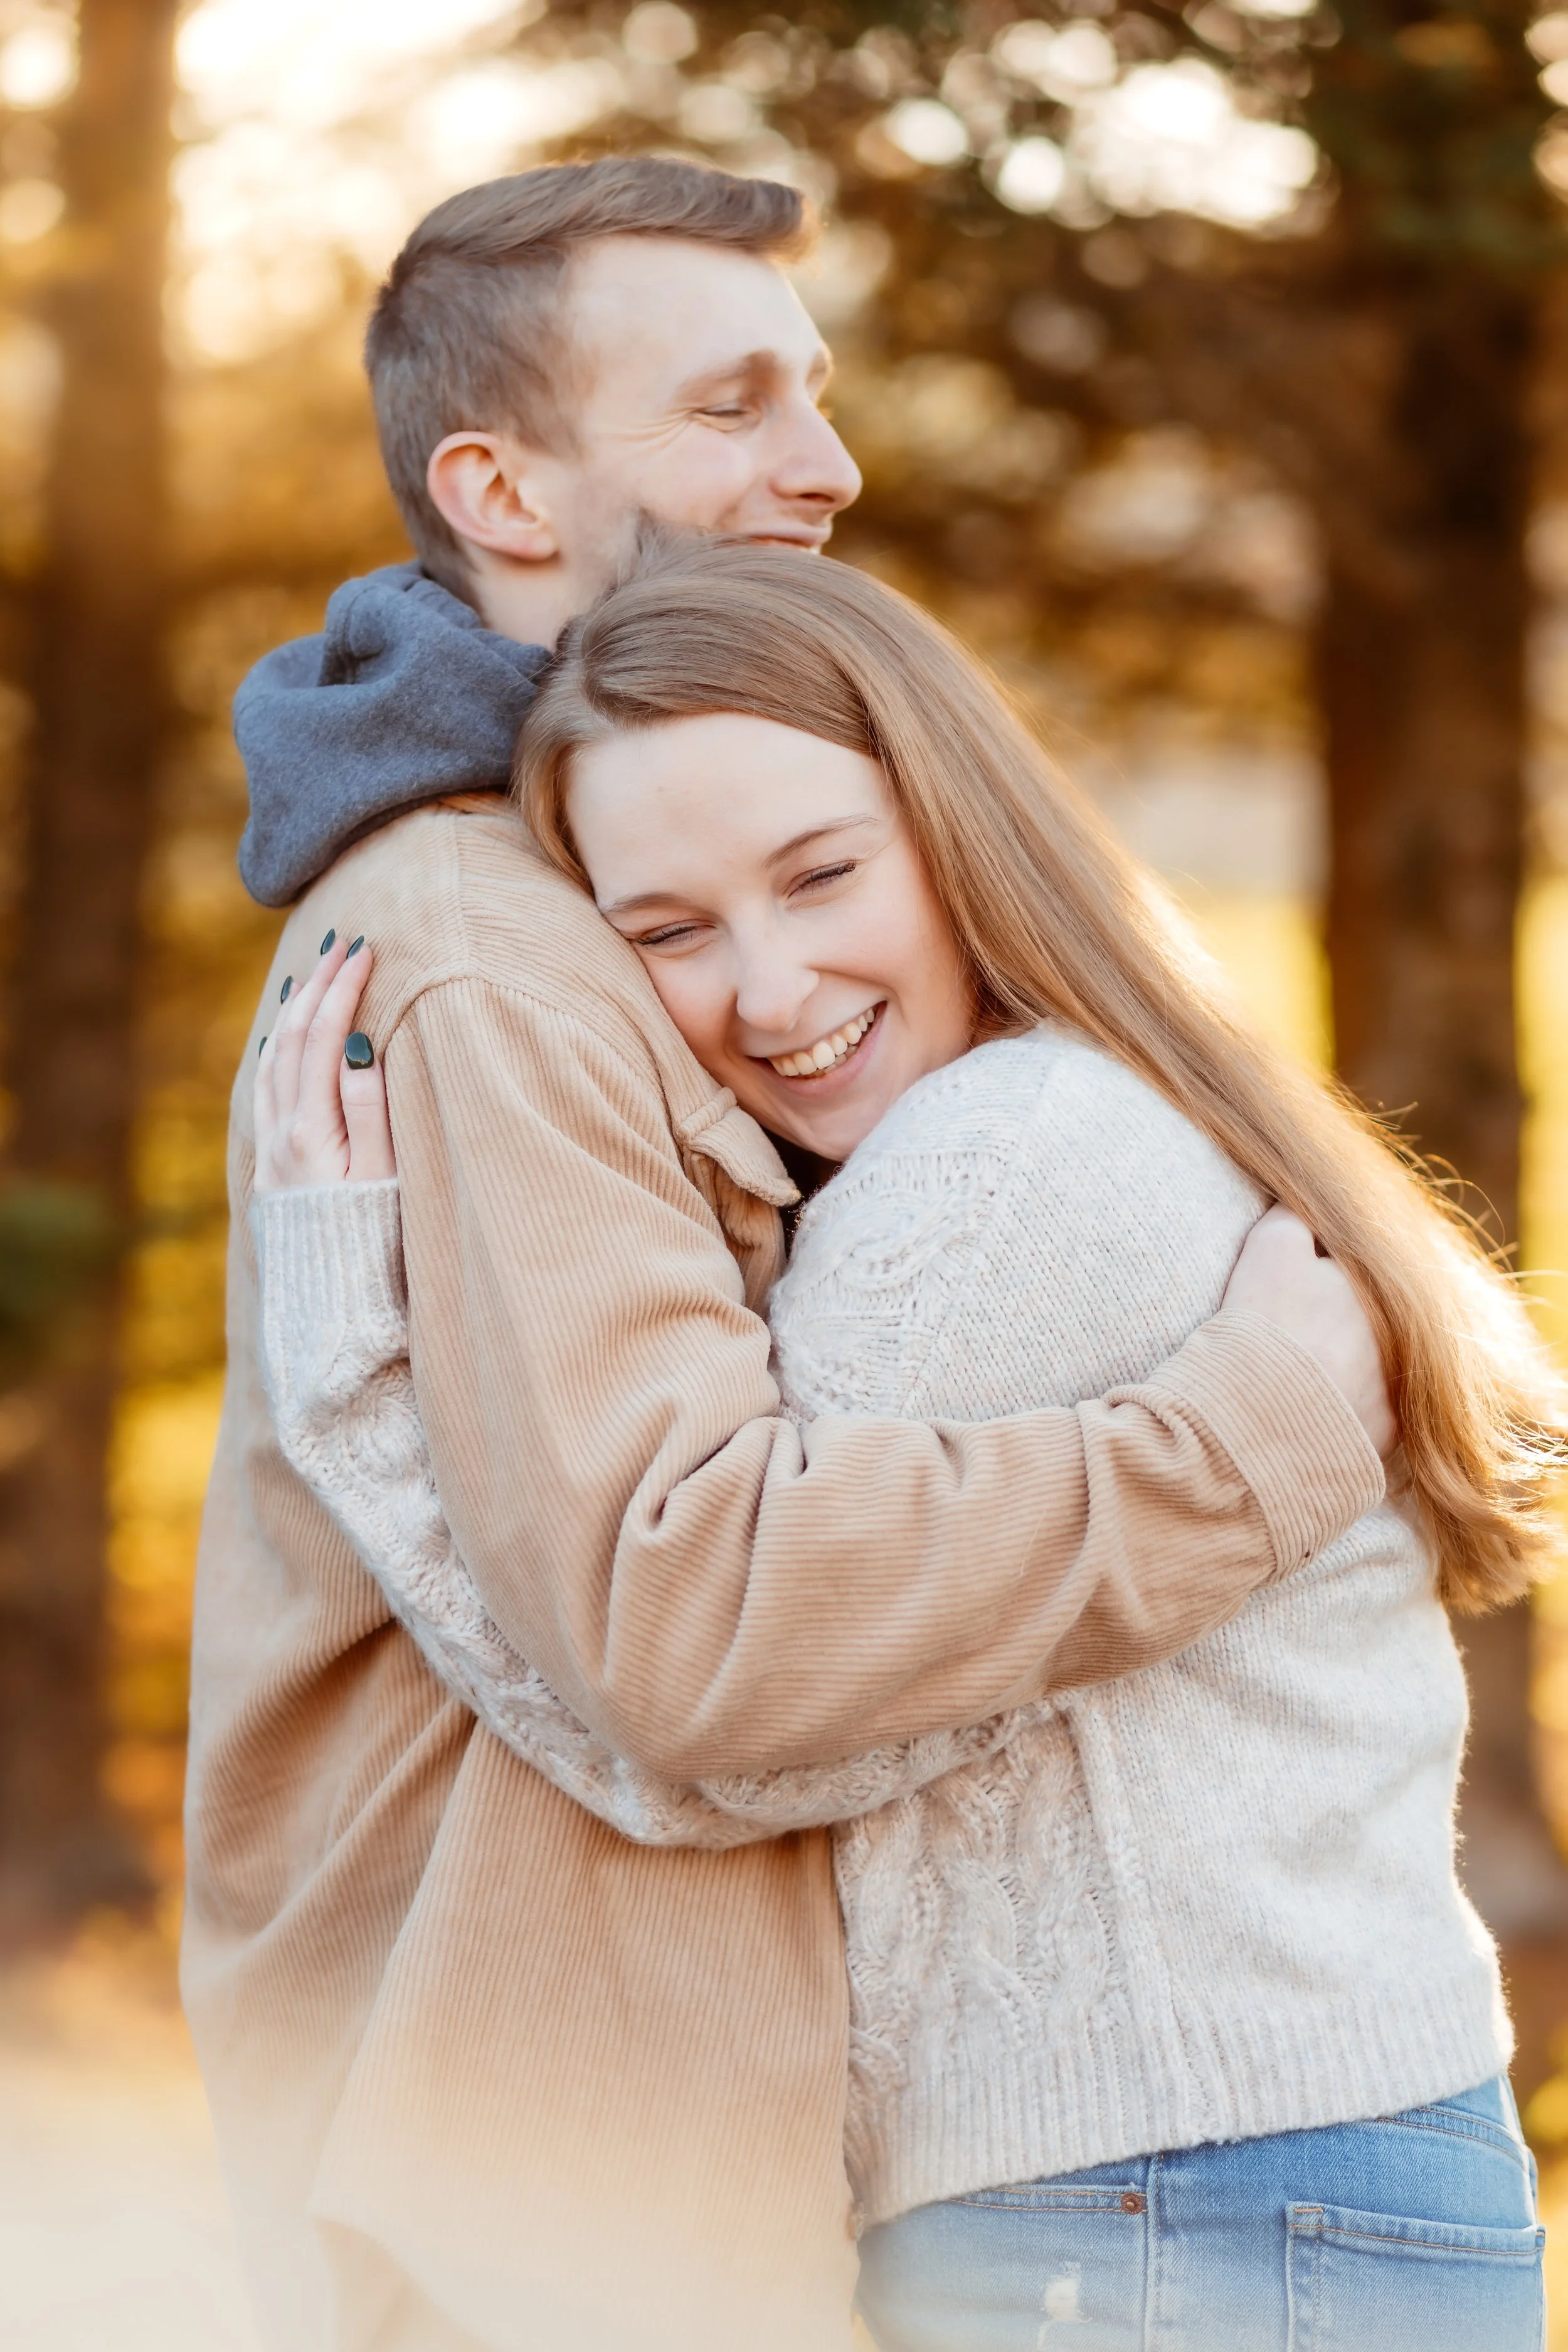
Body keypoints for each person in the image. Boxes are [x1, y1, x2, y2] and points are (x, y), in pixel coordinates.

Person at [187, 159, 1392, 2352]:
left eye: (816, 396)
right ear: (500, 485)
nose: (821, 468)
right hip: (533, 2130)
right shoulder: (493, 949)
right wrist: (1242, 1449)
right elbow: (683, 1617)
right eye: (734, 403)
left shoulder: (569, 889)